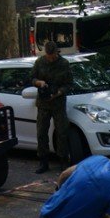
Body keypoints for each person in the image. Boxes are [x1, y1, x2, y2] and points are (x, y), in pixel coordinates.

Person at [31, 40, 73, 174]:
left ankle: (63, 161)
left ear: (56, 52)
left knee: (62, 132)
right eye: (48, 56)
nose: (50, 59)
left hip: (58, 103)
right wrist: (39, 82)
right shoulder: (39, 62)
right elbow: (31, 78)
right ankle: (43, 162)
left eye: (52, 56)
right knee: (41, 133)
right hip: (43, 104)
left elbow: (69, 84)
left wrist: (59, 92)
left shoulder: (64, 64)